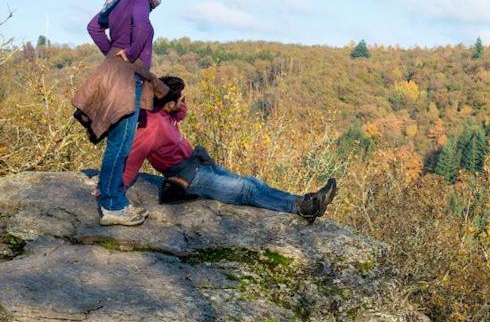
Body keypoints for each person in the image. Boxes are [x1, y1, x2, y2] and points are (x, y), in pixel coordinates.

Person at [122, 76, 337, 222]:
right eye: (181, 99)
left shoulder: (166, 114)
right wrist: (113, 187)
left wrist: (176, 97)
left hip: (198, 165)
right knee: (245, 189)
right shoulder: (150, 126)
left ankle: (304, 200)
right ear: (168, 103)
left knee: (253, 181)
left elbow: (181, 114)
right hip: (187, 179)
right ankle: (303, 208)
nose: (183, 102)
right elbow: (134, 157)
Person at [86, 0, 162, 227]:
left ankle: (113, 198)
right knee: (121, 142)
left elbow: (94, 27)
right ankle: (112, 206)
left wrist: (111, 54)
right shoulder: (140, 0)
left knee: (117, 140)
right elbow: (141, 28)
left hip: (114, 74)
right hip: (129, 78)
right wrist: (128, 54)